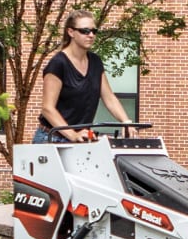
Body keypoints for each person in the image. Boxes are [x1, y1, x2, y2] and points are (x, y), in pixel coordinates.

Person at [35, 10, 136, 143]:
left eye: (94, 31)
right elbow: (47, 108)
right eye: (85, 31)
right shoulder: (58, 63)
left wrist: (125, 121)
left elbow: (109, 97)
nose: (91, 35)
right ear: (71, 32)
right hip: (52, 138)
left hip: (80, 139)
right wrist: (73, 135)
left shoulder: (95, 62)